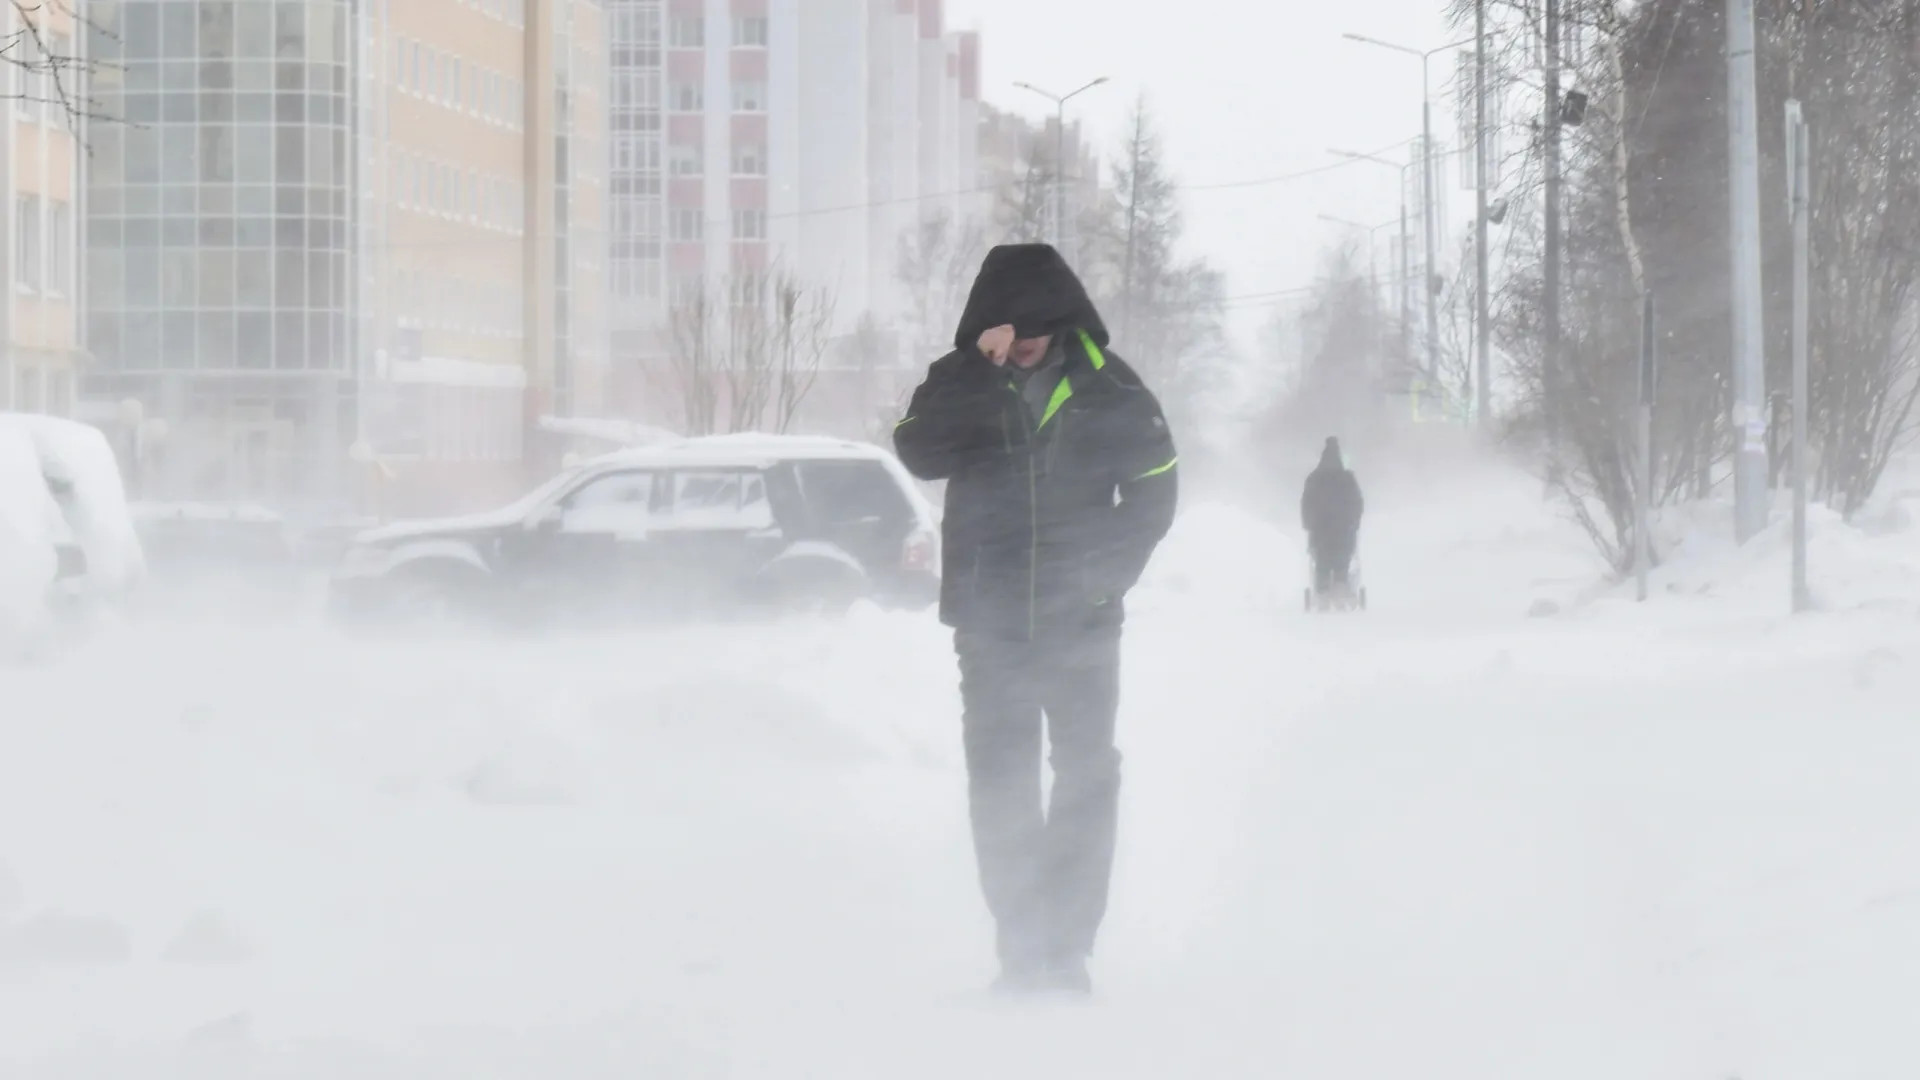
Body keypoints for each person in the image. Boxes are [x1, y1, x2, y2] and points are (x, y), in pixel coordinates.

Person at [892, 243, 1179, 996]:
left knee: (1086, 774)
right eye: (1001, 326)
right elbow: (918, 452)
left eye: (1029, 328)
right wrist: (971, 373)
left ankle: (1069, 945)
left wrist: (1097, 580)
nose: (1017, 340)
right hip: (988, 626)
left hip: (1081, 625)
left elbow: (1154, 494)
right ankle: (1021, 945)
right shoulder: (963, 382)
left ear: (1060, 321)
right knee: (1001, 782)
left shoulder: (1112, 391)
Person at [1301, 436, 1364, 594]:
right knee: (1343, 556)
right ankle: (1340, 582)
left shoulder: (1314, 479)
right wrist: (1354, 522)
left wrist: (1308, 523)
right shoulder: (1348, 479)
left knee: (1321, 558)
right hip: (1344, 528)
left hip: (1320, 529)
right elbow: (1357, 502)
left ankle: (1322, 586)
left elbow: (1306, 503)